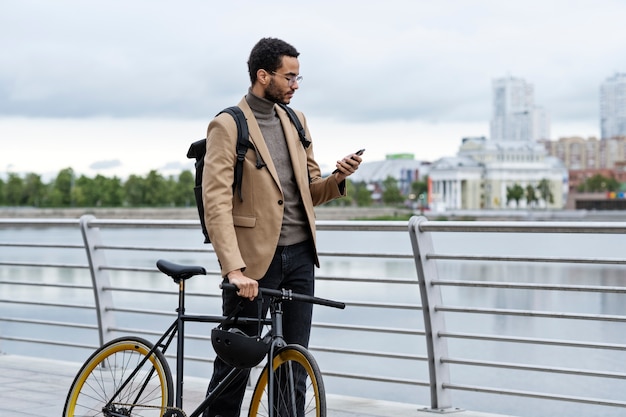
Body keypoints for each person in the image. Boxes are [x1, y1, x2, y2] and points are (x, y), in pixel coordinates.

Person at [201, 37, 362, 417]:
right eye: (289, 77)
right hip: (255, 263)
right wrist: (233, 269)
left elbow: (309, 192)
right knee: (236, 364)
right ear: (263, 76)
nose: (295, 84)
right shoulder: (227, 125)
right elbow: (216, 203)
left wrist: (339, 177)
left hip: (301, 256)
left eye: (298, 77)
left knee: (292, 364)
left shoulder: (296, 120)